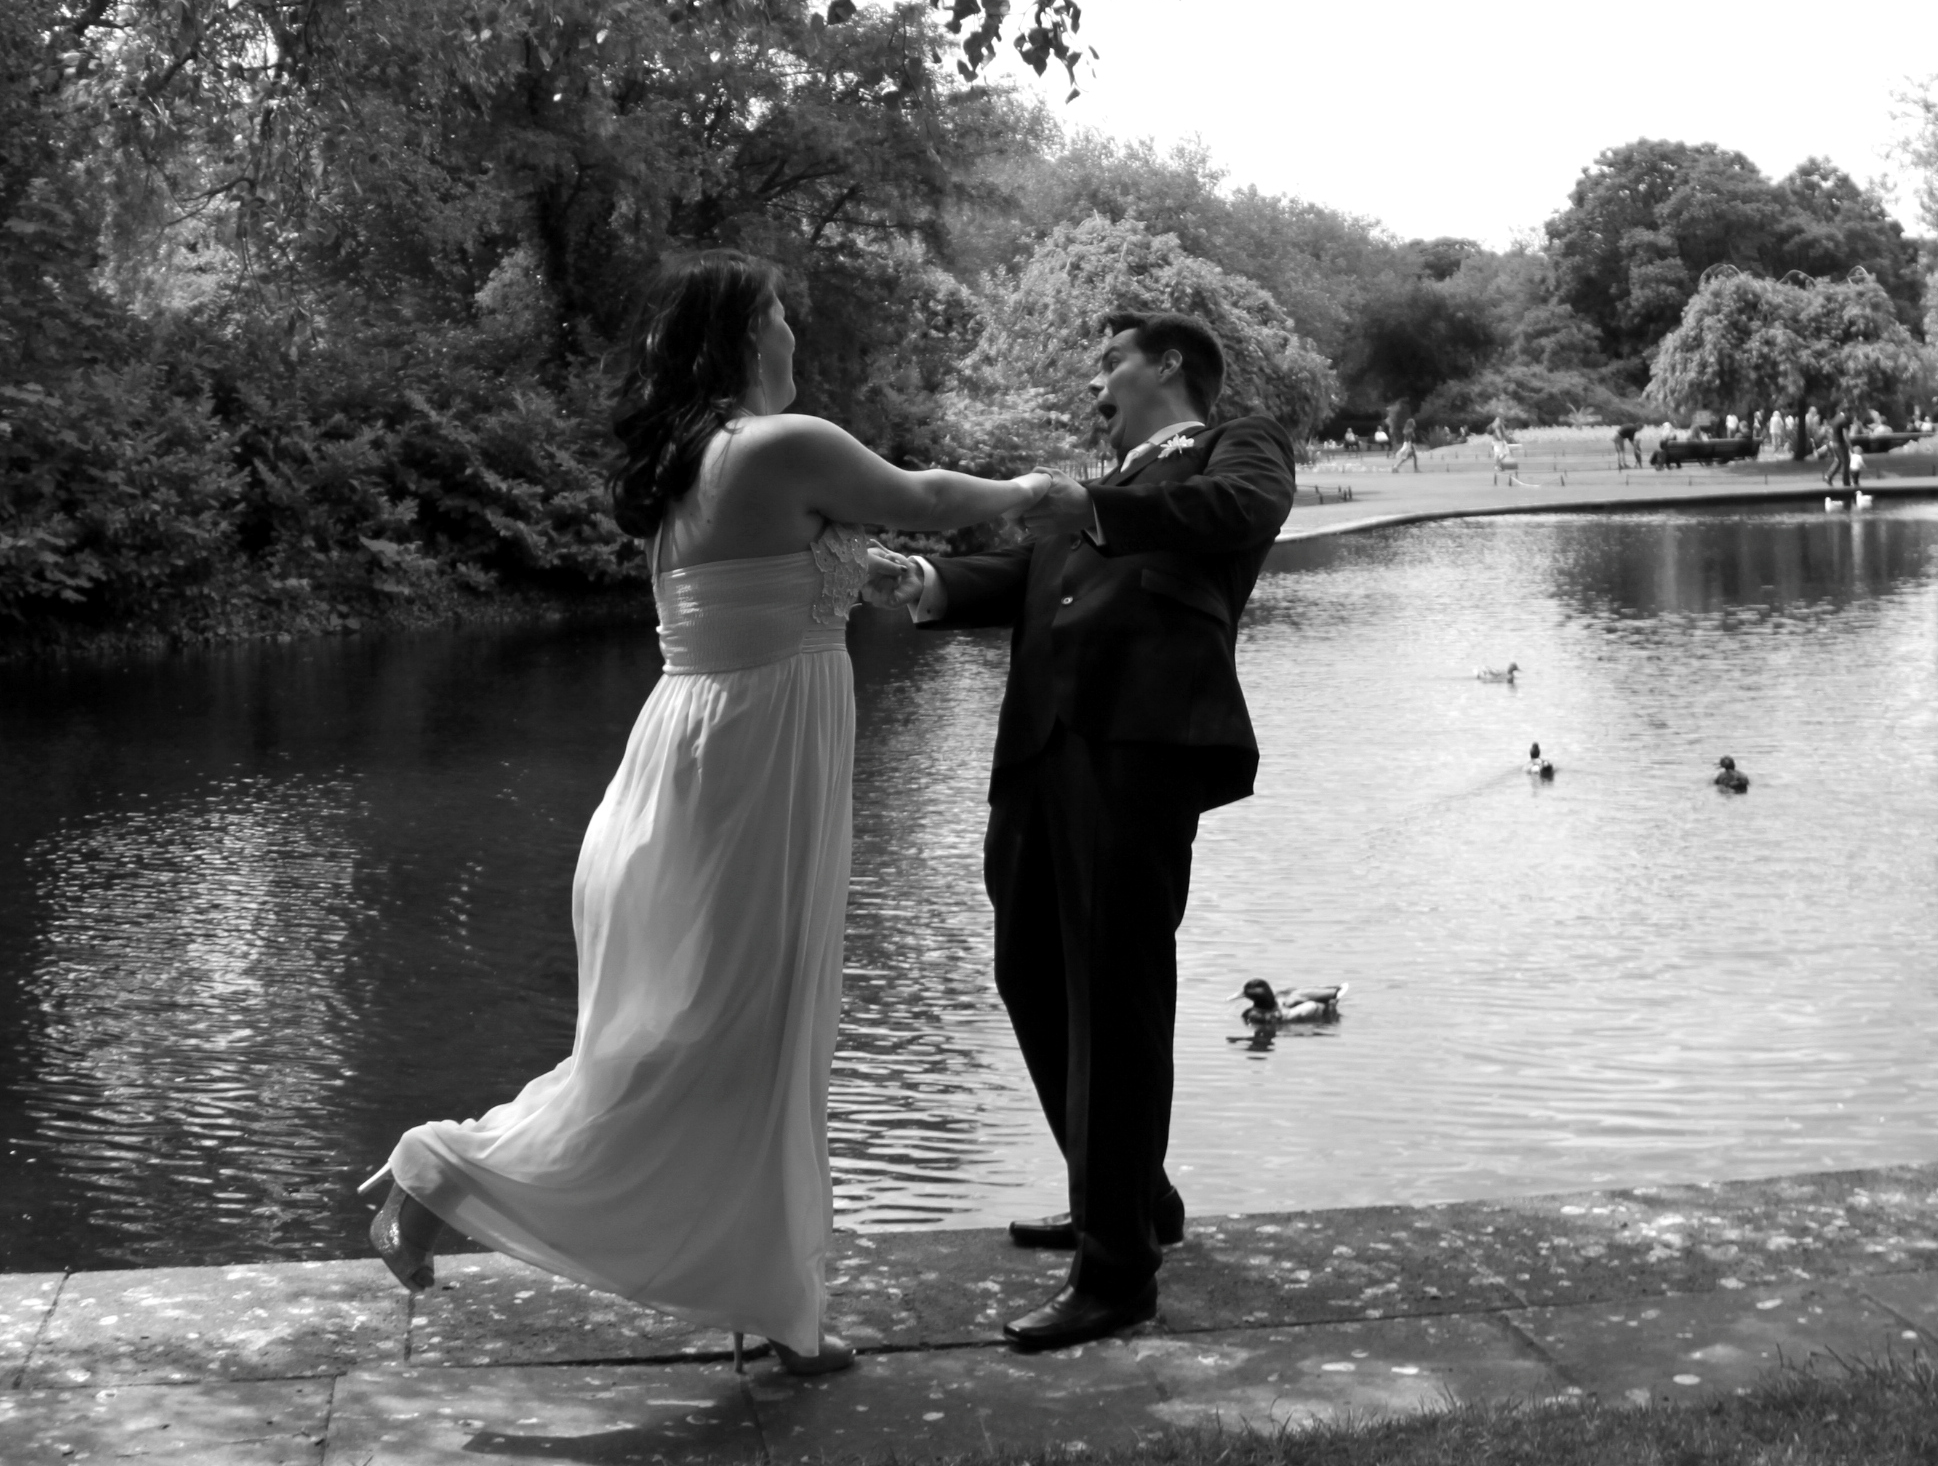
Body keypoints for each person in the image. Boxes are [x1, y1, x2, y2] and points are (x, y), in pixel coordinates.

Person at [358, 250, 1046, 1375]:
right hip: (749, 767)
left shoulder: (692, 466)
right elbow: (924, 496)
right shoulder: (778, 442)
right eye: (778, 315)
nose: (792, 335)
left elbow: (772, 579)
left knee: (727, 1035)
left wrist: (862, 572)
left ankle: (769, 1297)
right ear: (742, 336)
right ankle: (447, 1171)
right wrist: (1033, 490)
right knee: (738, 1035)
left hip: (707, 756)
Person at [862, 311, 1294, 1354]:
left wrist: (1093, 504)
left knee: (1116, 992)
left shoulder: (1235, 447)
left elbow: (1236, 511)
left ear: (1170, 365)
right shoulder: (1092, 490)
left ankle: (1117, 1273)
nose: (1096, 385)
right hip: (1037, 748)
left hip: (1137, 743)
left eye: (1112, 363)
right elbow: (1026, 581)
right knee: (1029, 975)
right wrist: (926, 580)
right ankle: (1132, 1198)